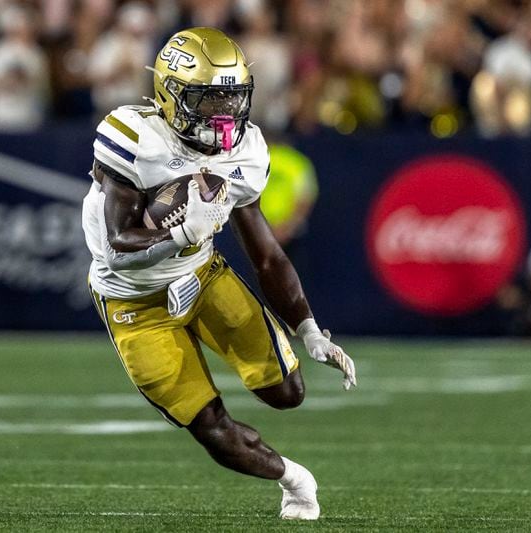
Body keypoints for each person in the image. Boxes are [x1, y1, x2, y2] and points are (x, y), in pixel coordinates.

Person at [81, 27, 356, 520]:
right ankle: (295, 479)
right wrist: (182, 233)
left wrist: (309, 329)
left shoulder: (246, 149)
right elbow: (119, 249)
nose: (224, 113)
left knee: (287, 392)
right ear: (171, 94)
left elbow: (266, 253)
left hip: (201, 275)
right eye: (209, 99)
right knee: (210, 425)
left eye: (233, 97)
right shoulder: (135, 138)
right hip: (133, 301)